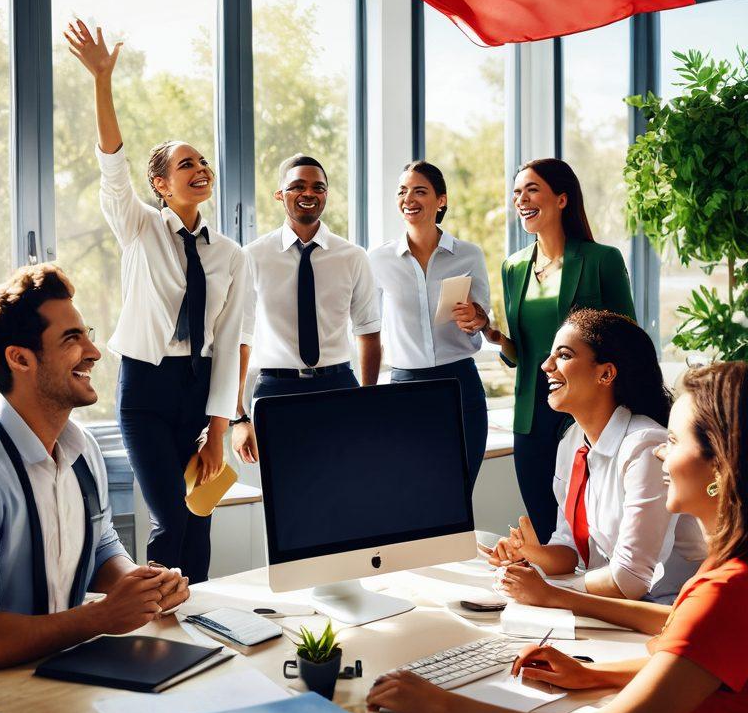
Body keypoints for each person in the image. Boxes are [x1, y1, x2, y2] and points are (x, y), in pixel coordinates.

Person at [367, 361, 748, 713]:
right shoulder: (731, 579)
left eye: (672, 441)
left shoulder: (725, 592)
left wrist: (439, 705)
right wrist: (595, 677)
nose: (659, 457)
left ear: (719, 467)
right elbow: (695, 656)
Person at [0, 265, 189, 674]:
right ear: (20, 359)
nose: (94, 353)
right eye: (72, 339)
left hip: (57, 675)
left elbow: (98, 548)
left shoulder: (82, 449)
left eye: (87, 334)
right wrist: (100, 618)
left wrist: (142, 587)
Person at [66, 19, 247, 580]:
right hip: (145, 387)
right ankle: (158, 619)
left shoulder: (230, 256)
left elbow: (231, 342)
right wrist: (102, 79)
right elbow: (112, 168)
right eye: (185, 164)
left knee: (200, 512)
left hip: (198, 389)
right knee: (170, 517)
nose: (199, 169)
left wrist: (218, 431)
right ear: (162, 186)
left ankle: (206, 619)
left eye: (202, 163)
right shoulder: (139, 229)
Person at [484, 310, 706, 604]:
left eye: (563, 355)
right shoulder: (572, 441)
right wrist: (529, 554)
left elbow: (630, 578)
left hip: (667, 609)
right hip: (615, 607)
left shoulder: (646, 447)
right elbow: (569, 550)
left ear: (606, 373)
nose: (546, 365)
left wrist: (550, 592)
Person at [481, 159, 636, 543]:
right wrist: (495, 337)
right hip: (531, 416)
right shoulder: (513, 267)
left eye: (531, 189)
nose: (521, 199)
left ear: (562, 198)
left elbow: (629, 342)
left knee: (591, 530)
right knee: (548, 530)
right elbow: (522, 354)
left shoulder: (601, 260)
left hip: (586, 413)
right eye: (517, 192)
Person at [231, 154, 381, 464]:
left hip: (339, 387)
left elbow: (368, 333)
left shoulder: (353, 257)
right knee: (284, 496)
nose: (308, 193)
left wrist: (368, 402)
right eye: (297, 186)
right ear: (279, 195)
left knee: (346, 487)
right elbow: (238, 341)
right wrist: (238, 417)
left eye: (318, 187)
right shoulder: (252, 257)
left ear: (326, 194)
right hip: (276, 391)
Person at [369, 161, 491, 488]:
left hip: (460, 383)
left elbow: (484, 317)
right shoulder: (378, 260)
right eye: (402, 191)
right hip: (405, 386)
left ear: (441, 200)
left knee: (460, 491)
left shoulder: (469, 254)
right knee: (413, 491)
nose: (409, 198)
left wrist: (476, 318)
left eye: (420, 191)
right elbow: (368, 329)